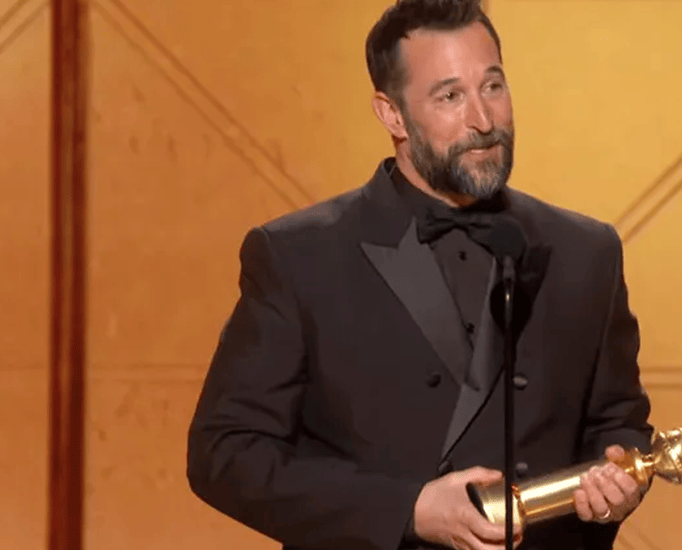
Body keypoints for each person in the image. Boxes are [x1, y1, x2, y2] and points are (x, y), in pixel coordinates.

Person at [186, 1, 654, 549]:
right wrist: (408, 509)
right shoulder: (298, 257)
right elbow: (226, 453)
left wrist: (617, 483)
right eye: (450, 96)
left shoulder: (585, 251)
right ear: (391, 115)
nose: (483, 121)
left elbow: (619, 423)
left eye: (494, 87)